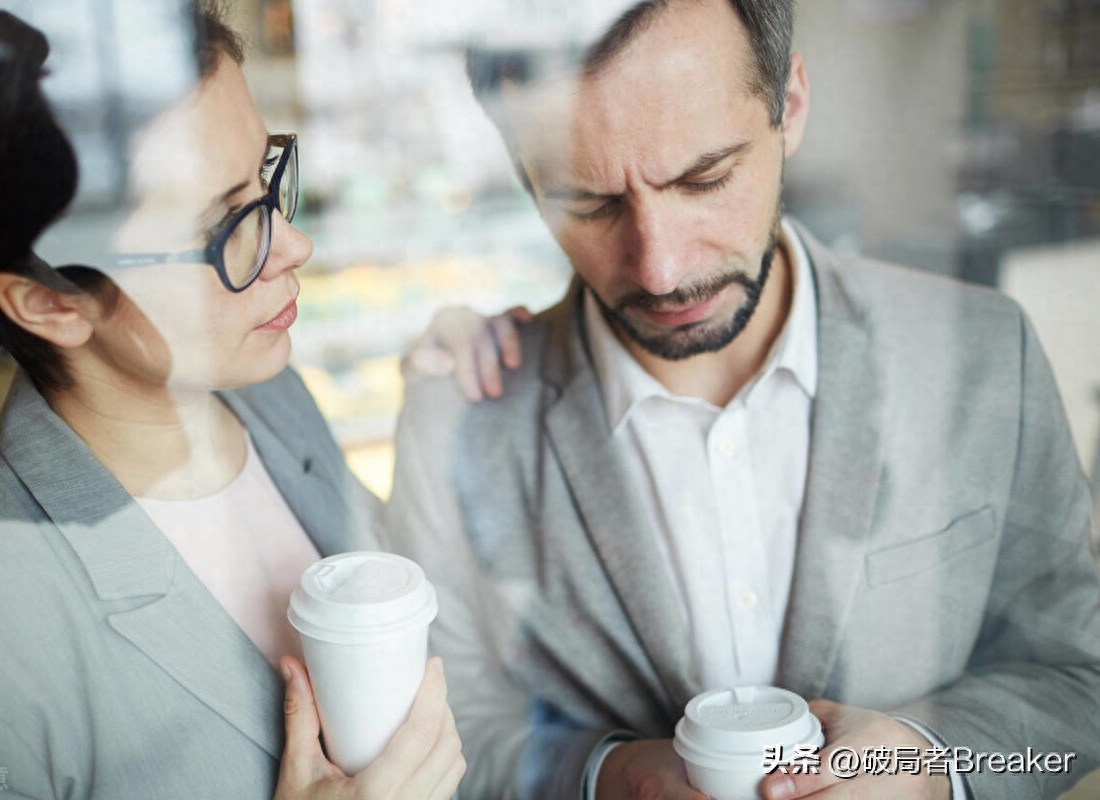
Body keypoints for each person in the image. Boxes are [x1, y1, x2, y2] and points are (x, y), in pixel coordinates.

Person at [385, 1, 1100, 799]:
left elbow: (1079, 674)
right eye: (589, 203)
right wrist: (603, 775)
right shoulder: (459, 413)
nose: (660, 267)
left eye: (704, 178)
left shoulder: (985, 354)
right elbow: (451, 723)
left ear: (789, 104)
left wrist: (932, 768)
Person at [0, 3, 467, 798]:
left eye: (266, 180)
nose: (292, 246)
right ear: (50, 303)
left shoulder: (270, 397)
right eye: (222, 223)